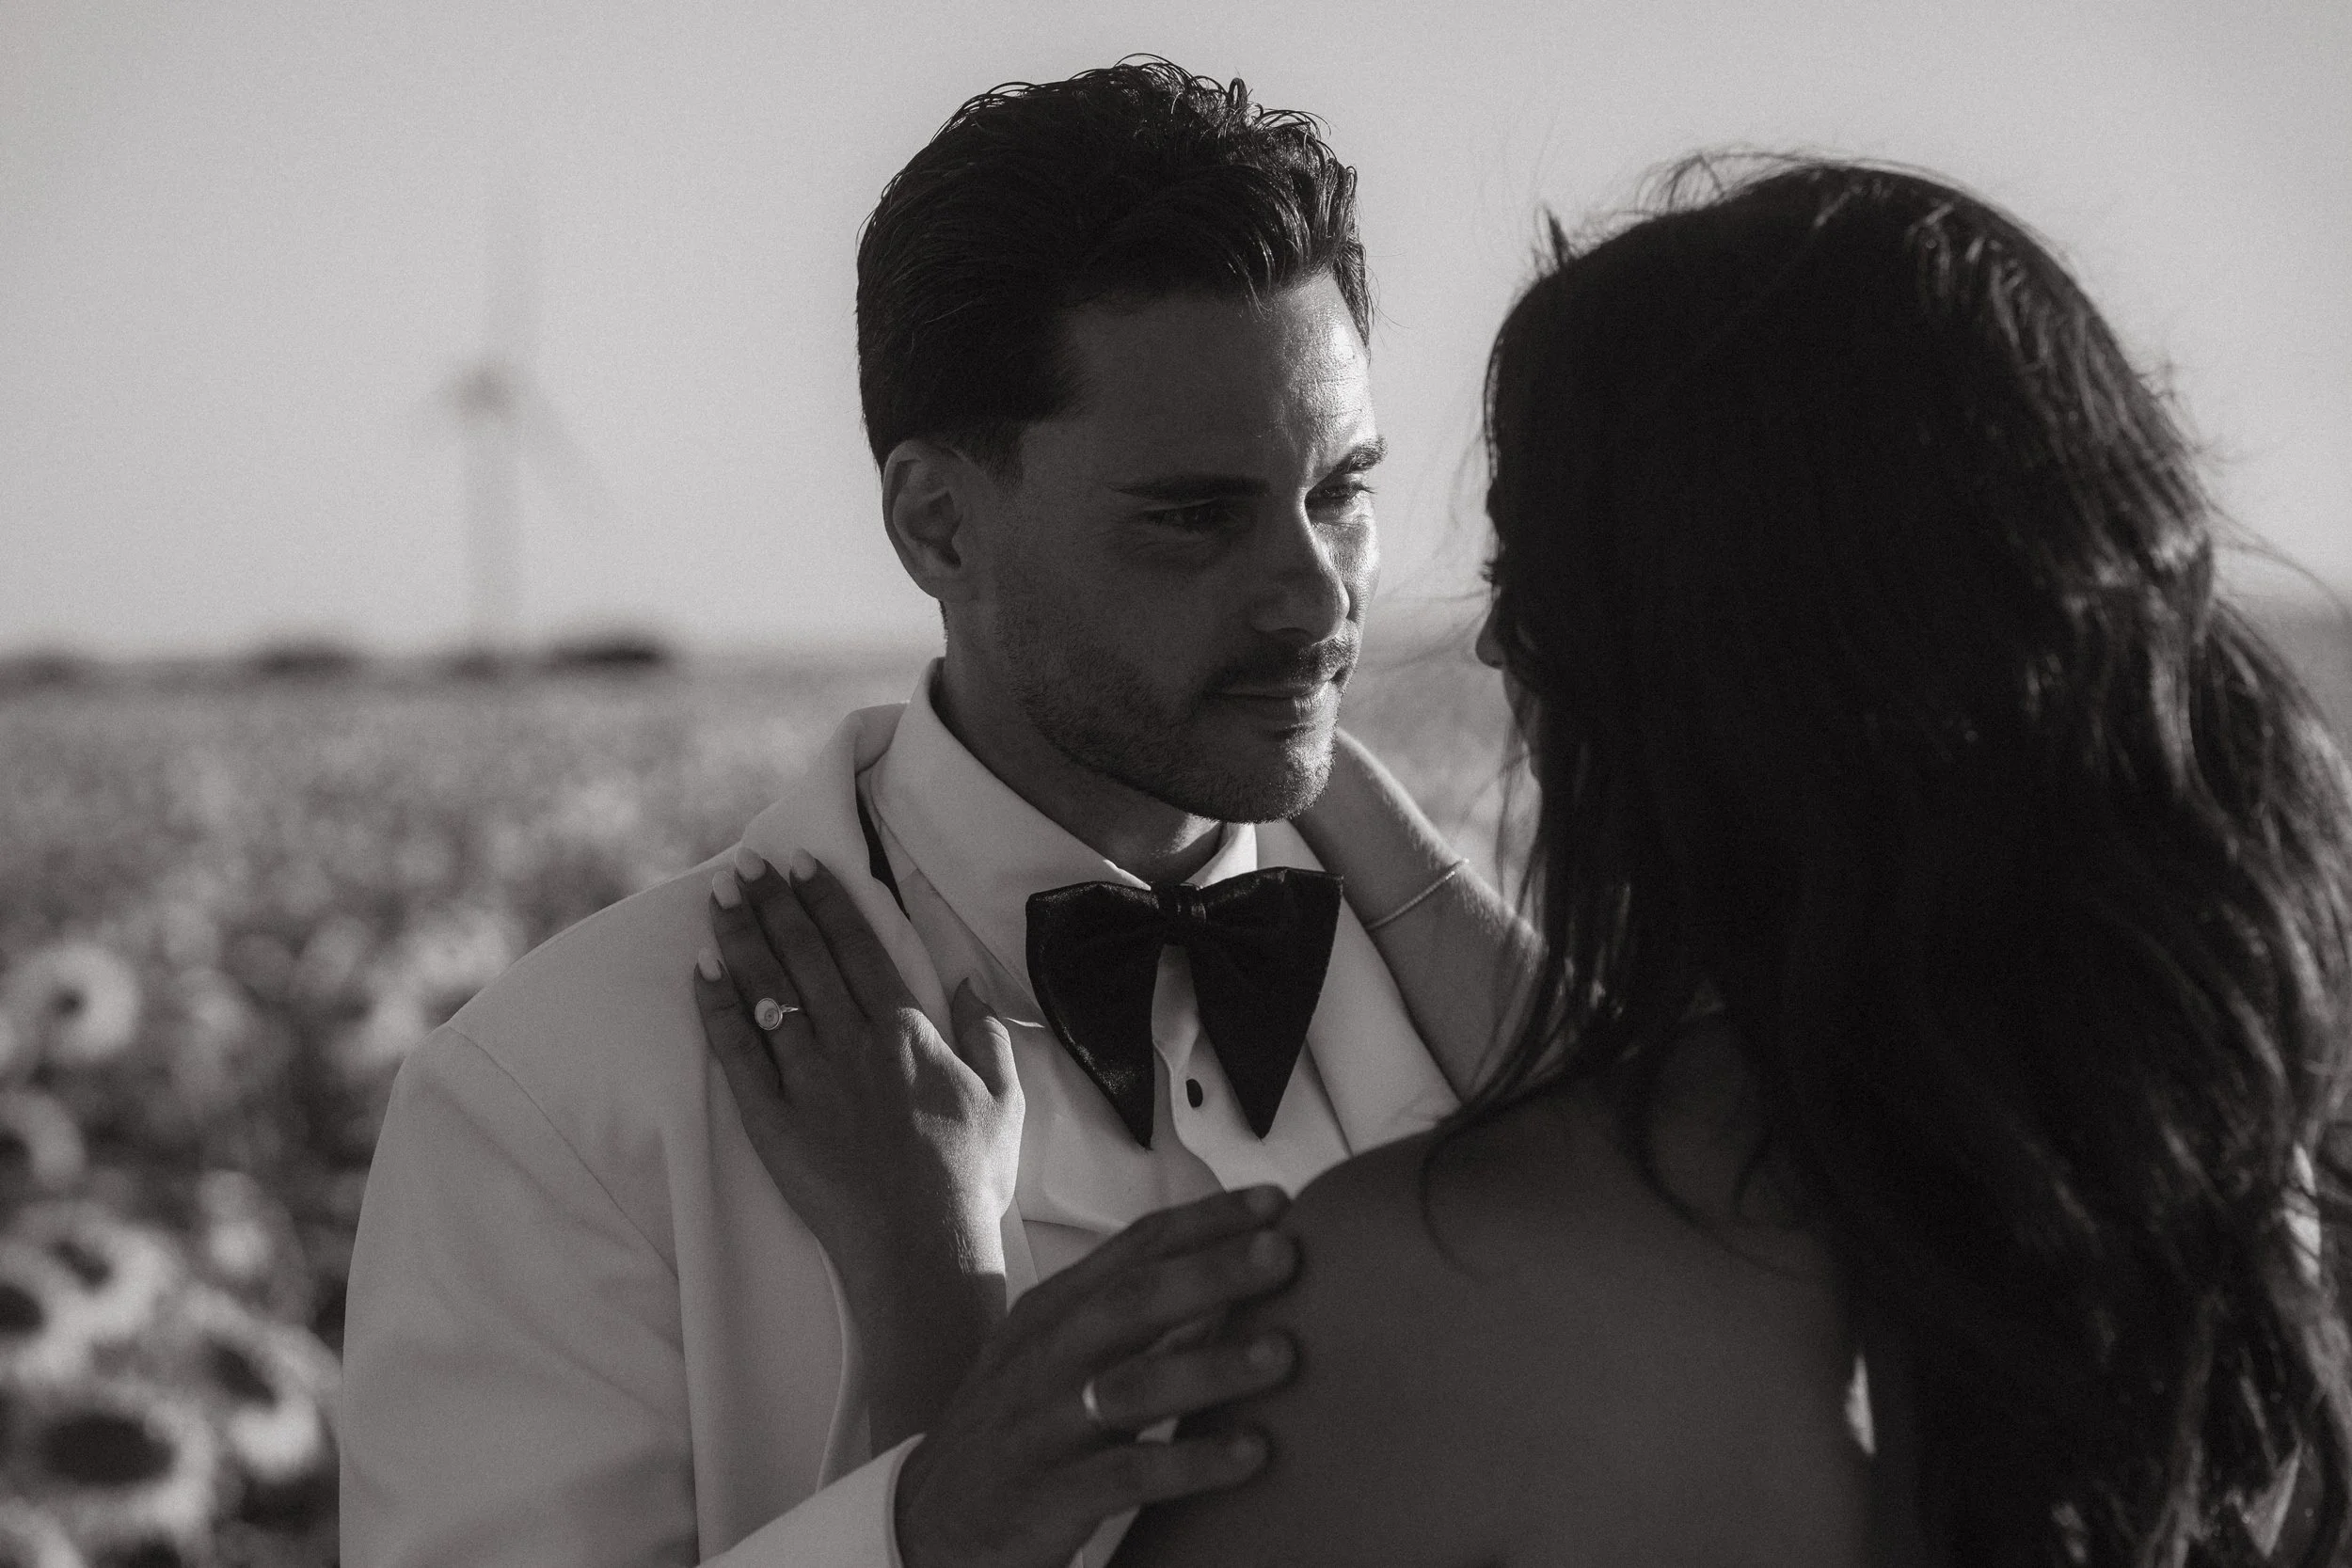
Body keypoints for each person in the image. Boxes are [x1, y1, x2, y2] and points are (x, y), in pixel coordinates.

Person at [702, 157, 2352, 1565]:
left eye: (1529, 582)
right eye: (1201, 513)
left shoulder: (1426, 1291)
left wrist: (934, 1314)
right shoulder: (2218, 1212)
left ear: (1684, 674)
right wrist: (1320, 783)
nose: (1486, 644)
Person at [339, 60, 1481, 1568]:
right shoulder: (559, 1098)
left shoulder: (1493, 1006)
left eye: (1341, 491)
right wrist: (916, 1532)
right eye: (1196, 515)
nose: (1318, 597)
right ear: (937, 523)